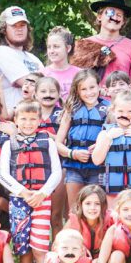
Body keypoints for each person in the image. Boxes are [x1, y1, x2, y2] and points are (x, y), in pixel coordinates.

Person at [0, 99, 63, 263]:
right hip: (19, 201)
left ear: (39, 120)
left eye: (32, 119)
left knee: (40, 248)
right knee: (23, 248)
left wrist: (42, 193)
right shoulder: (9, 144)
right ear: (15, 120)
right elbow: (3, 175)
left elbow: (56, 172)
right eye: (23, 119)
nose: (28, 123)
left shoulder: (48, 142)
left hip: (42, 200)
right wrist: (23, 192)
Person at [56, 69, 110, 210]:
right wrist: (72, 153)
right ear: (77, 91)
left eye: (92, 87)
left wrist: (100, 145)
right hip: (74, 167)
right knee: (75, 210)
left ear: (99, 86)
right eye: (83, 89)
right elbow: (58, 143)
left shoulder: (109, 109)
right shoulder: (71, 109)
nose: (89, 92)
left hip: (98, 168)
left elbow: (114, 135)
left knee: (95, 210)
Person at [79, 0, 131, 88]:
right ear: (99, 16)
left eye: (119, 15)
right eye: (110, 13)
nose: (114, 17)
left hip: (122, 101)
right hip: (92, 101)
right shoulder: (85, 44)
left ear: (123, 21)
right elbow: (77, 79)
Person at [0, 6, 44, 110]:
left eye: (22, 25)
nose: (19, 29)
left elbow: (47, 85)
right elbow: (30, 84)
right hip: (13, 119)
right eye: (14, 26)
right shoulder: (1, 52)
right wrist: (35, 83)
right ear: (4, 30)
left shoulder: (33, 58)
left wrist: (38, 84)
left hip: (36, 116)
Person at [64, 184, 113, 263]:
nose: (92, 208)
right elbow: (58, 246)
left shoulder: (111, 220)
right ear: (81, 205)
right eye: (88, 203)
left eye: (97, 204)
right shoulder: (72, 222)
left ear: (103, 206)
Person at [41, 26, 80, 101]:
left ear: (68, 48)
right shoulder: (42, 74)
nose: (51, 51)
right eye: (49, 47)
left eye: (56, 46)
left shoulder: (79, 74)